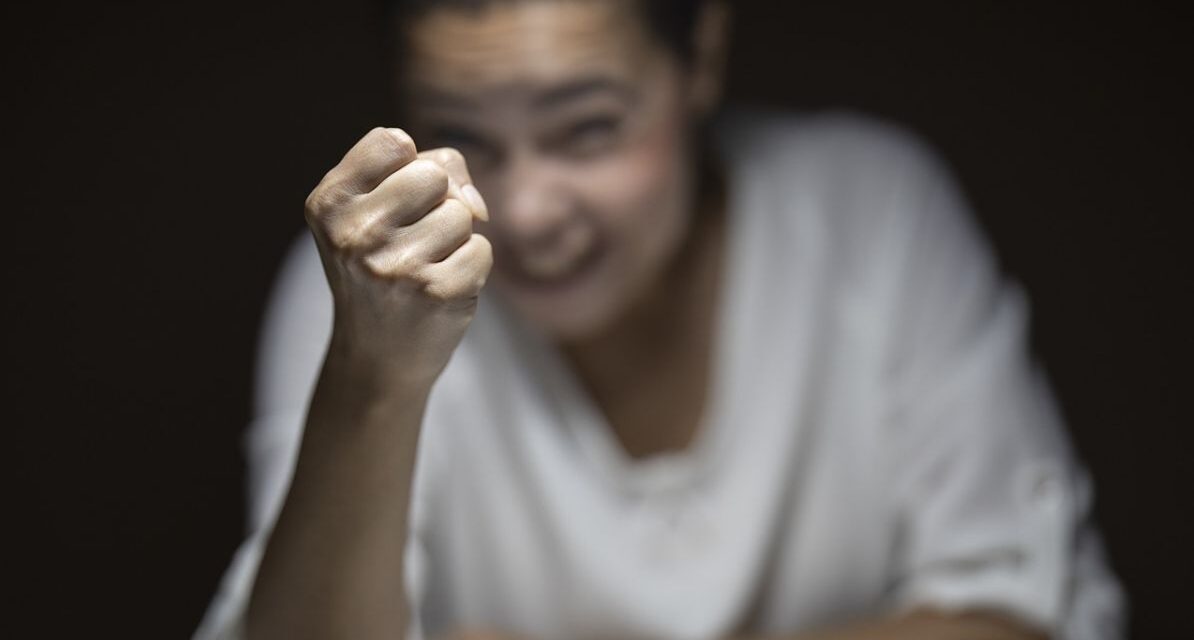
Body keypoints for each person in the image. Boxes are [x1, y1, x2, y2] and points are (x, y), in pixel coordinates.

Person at [196, 1, 1125, 638]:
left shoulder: (870, 213)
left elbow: (1022, 615)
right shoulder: (374, 279)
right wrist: (377, 373)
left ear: (702, 58)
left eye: (587, 128)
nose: (523, 212)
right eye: (464, 135)